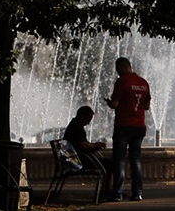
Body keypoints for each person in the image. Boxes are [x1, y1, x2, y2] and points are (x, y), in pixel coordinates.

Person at [104, 57, 150, 202]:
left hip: (124, 126)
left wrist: (109, 103)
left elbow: (115, 104)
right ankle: (137, 192)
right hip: (139, 126)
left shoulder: (122, 81)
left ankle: (117, 193)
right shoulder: (143, 82)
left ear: (122, 67)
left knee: (119, 160)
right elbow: (147, 106)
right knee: (135, 160)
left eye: (118, 70)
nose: (117, 73)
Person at [63, 105, 114, 194]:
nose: (88, 123)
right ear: (82, 116)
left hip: (76, 159)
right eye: (88, 119)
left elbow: (82, 145)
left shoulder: (75, 125)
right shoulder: (76, 128)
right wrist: (95, 145)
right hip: (79, 161)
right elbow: (84, 146)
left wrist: (94, 146)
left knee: (109, 163)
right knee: (110, 164)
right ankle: (108, 190)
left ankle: (108, 189)